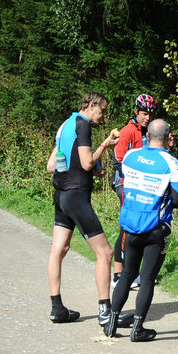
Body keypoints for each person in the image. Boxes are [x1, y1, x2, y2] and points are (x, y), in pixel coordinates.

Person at [105, 119, 178, 341]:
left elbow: (122, 176)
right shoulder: (171, 162)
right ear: (168, 138)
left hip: (130, 225)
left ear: (147, 136)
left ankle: (111, 324)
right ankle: (137, 329)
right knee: (147, 278)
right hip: (155, 229)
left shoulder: (132, 156)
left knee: (126, 275)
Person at [46, 92, 117, 324]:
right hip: (77, 197)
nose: (103, 116)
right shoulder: (83, 126)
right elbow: (86, 162)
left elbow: (51, 165)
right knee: (105, 253)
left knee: (59, 249)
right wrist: (105, 144)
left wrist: (85, 168)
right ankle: (106, 313)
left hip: (61, 196)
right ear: (92, 105)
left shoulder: (65, 125)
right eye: (103, 110)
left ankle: (57, 308)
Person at [110, 94, 158, 292]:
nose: (147, 117)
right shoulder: (127, 131)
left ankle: (134, 271)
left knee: (141, 227)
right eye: (144, 114)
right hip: (124, 184)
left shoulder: (149, 133)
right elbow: (118, 162)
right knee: (128, 226)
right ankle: (118, 275)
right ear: (136, 112)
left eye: (150, 114)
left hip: (141, 185)